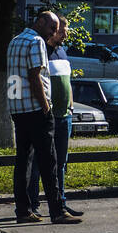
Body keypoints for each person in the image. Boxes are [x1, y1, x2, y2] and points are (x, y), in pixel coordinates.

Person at [8, 10, 79, 225]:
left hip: (19, 109)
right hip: (37, 110)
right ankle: (57, 211)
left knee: (23, 162)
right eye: (52, 28)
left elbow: (13, 76)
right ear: (40, 22)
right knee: (49, 161)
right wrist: (46, 106)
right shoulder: (36, 42)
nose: (53, 34)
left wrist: (14, 105)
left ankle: (23, 210)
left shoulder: (15, 41)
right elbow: (34, 75)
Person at [27, 16, 83, 217]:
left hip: (64, 116)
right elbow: (36, 81)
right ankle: (32, 205)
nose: (65, 35)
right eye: (61, 31)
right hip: (47, 116)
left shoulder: (62, 52)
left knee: (61, 163)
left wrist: (71, 107)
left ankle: (61, 202)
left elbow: (67, 83)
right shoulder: (42, 52)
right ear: (52, 30)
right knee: (36, 164)